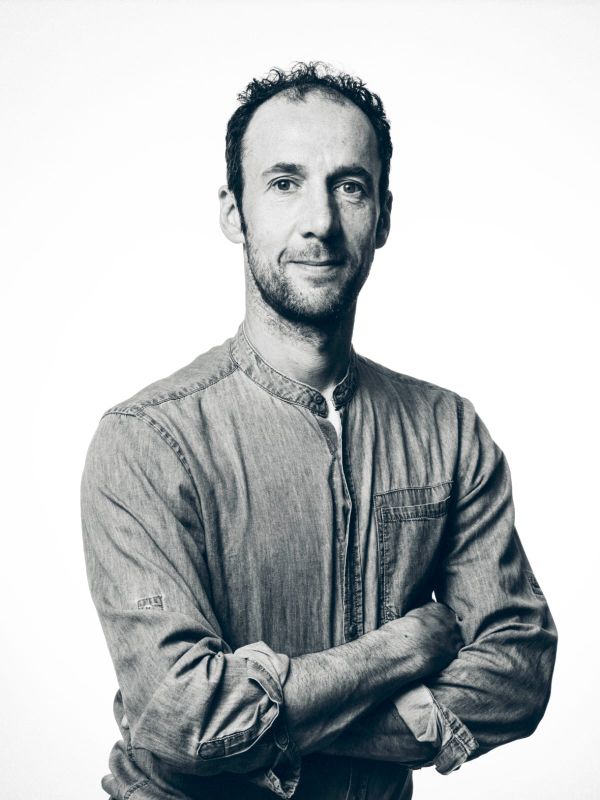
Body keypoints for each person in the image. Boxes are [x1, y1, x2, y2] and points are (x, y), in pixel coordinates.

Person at [81, 62, 557, 800]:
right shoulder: (146, 442)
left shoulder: (449, 431)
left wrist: (264, 724)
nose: (320, 222)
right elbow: (182, 713)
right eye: (283, 182)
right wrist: (403, 647)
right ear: (234, 212)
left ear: (384, 216)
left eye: (349, 185)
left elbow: (519, 669)